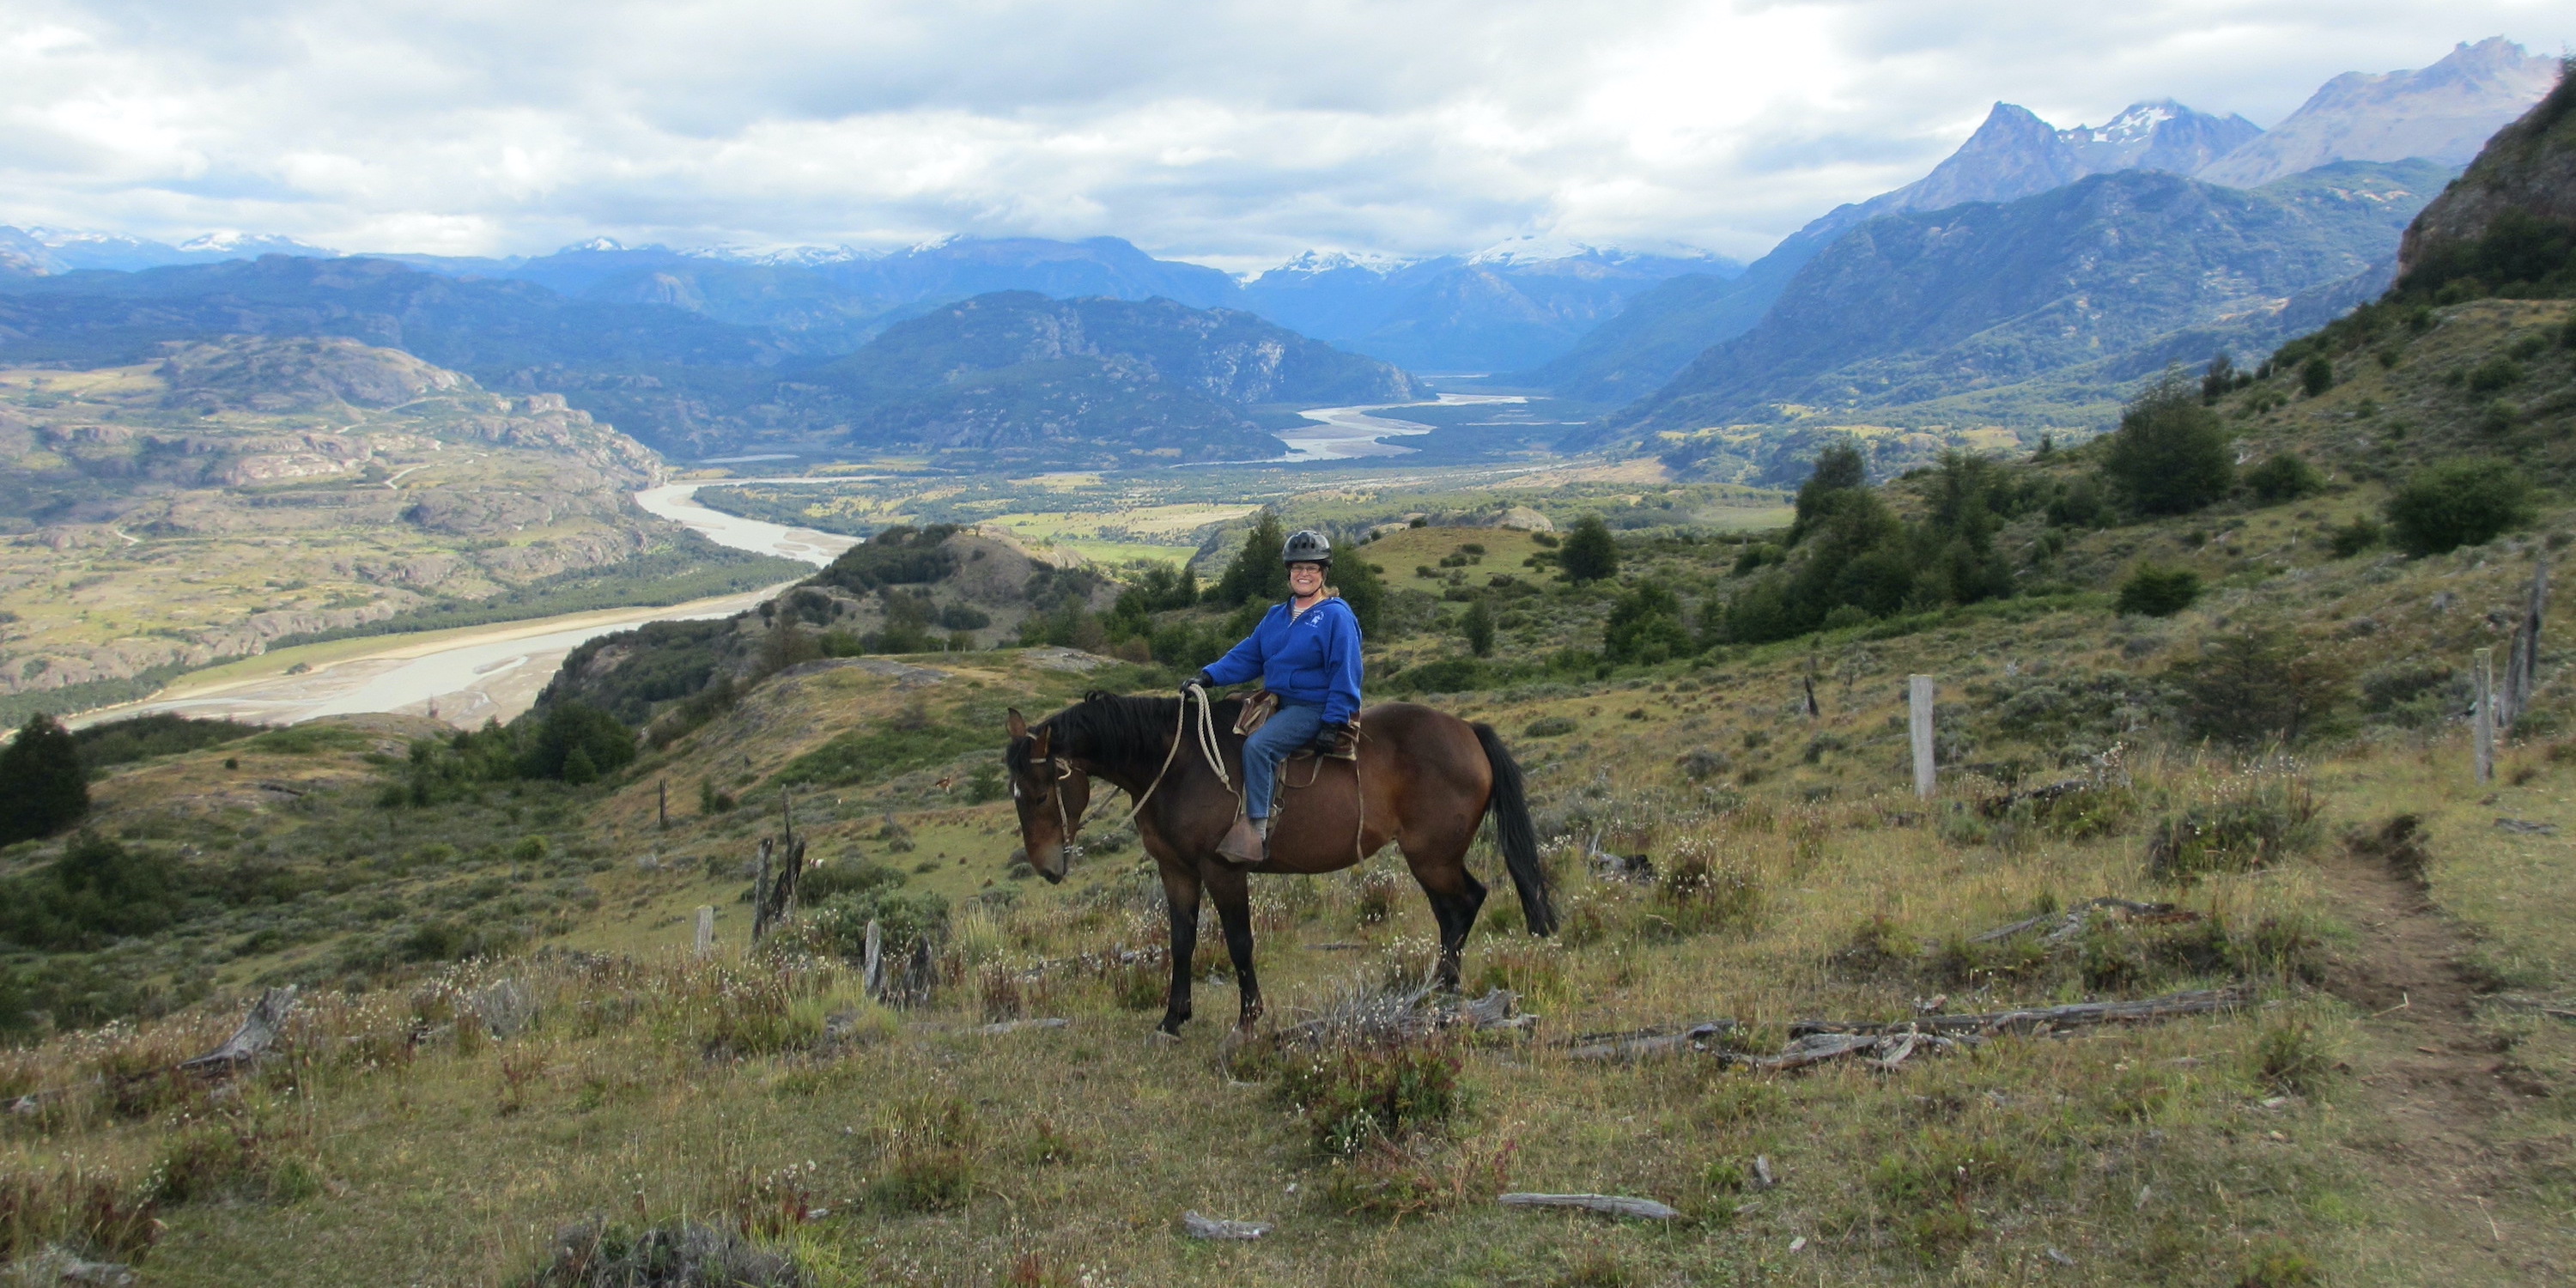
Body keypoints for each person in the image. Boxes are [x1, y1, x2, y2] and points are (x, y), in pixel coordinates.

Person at [1185, 528, 1362, 865]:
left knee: (1259, 746)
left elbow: (1346, 670)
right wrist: (1208, 675)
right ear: (1289, 573)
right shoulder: (1276, 616)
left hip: (1314, 705)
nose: (1304, 574)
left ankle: (1257, 831)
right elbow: (1248, 656)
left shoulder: (1336, 616)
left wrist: (1333, 719)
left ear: (1323, 573)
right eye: (1298, 568)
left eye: (1312, 568)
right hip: (1278, 700)